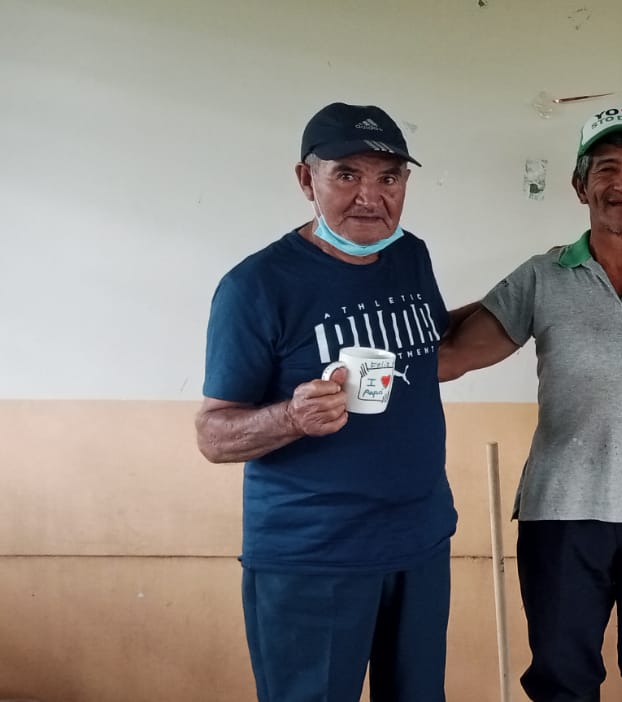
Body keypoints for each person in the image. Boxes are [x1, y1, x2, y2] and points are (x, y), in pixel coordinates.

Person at [437, 106, 622, 702]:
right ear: (580, 184)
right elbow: (454, 358)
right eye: (606, 168)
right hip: (561, 509)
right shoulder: (542, 276)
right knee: (562, 682)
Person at [196, 102, 457, 702]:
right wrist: (293, 416)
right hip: (313, 557)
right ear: (305, 179)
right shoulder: (256, 286)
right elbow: (213, 435)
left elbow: (436, 352)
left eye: (388, 177)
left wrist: (537, 303)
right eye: (346, 174)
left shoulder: (410, 256)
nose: (370, 196)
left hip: (420, 542)